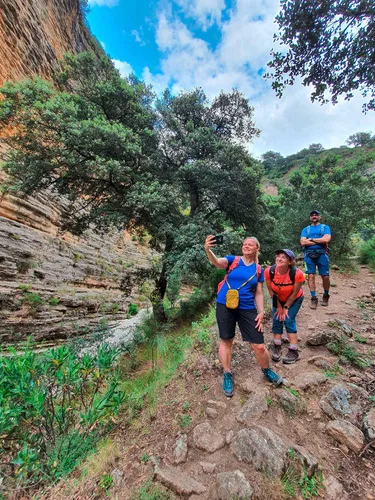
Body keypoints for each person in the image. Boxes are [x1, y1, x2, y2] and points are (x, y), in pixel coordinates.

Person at [204, 235, 282, 397]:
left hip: (247, 308)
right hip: (225, 305)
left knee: (258, 345)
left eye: (250, 244)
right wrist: (208, 250)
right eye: (244, 244)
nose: (246, 246)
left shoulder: (258, 269)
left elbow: (259, 292)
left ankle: (266, 370)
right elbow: (217, 262)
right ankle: (227, 373)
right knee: (226, 340)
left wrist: (261, 312)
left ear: (256, 248)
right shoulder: (233, 260)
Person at [265, 249, 305, 364]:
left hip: (294, 299)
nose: (279, 259)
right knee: (277, 318)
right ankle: (277, 345)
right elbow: (271, 291)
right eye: (278, 256)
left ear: (290, 261)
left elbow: (294, 294)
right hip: (277, 299)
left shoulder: (297, 274)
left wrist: (286, 307)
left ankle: (294, 350)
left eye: (284, 257)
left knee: (288, 319)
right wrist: (278, 306)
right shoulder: (269, 271)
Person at [300, 210, 331, 309]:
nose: (314, 216)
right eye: (312, 215)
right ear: (310, 218)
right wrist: (319, 241)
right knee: (311, 276)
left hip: (322, 254)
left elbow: (326, 239)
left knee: (325, 277)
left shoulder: (325, 227)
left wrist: (311, 239)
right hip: (309, 255)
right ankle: (313, 298)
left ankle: (326, 295)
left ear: (319, 217)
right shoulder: (306, 229)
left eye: (316, 215)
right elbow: (302, 243)